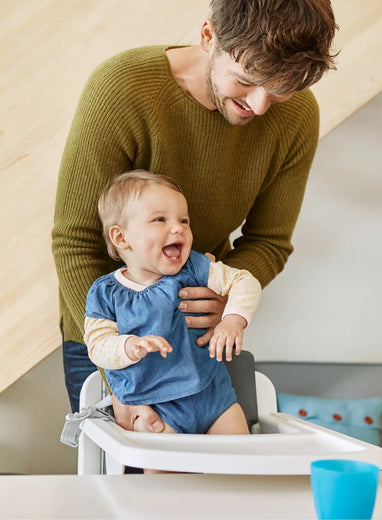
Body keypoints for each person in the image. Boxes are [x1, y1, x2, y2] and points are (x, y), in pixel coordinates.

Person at [52, 0, 337, 428]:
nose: (260, 106)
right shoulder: (122, 89)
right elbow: (75, 241)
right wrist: (123, 380)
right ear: (208, 36)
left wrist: (226, 301)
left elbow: (268, 244)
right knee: (127, 487)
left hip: (196, 343)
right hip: (108, 334)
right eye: (246, 80)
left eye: (281, 89)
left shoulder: (296, 116)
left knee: (220, 484)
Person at [84, 171, 261, 470]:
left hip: (214, 399)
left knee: (241, 471)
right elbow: (97, 346)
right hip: (156, 411)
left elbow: (245, 281)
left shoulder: (194, 269)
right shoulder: (105, 293)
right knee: (165, 491)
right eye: (160, 220)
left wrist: (233, 320)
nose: (178, 229)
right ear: (121, 237)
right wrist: (130, 346)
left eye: (184, 220)